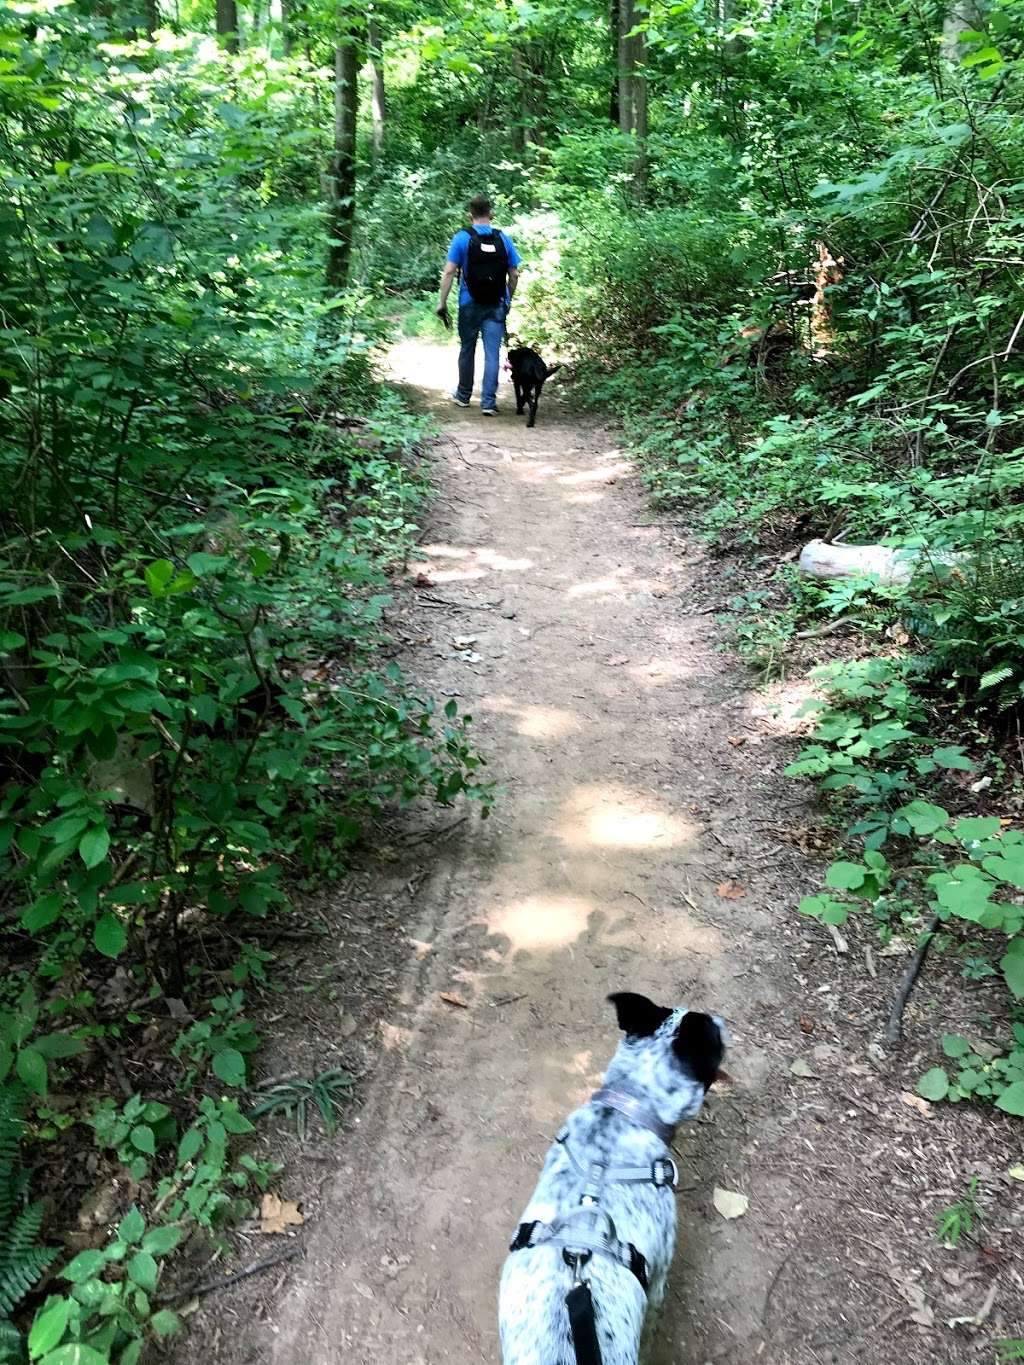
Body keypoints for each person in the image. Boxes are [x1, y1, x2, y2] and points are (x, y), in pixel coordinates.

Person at [437, 196, 521, 415]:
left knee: (467, 349)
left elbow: (448, 272)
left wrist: (442, 302)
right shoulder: (503, 238)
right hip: (496, 304)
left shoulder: (462, 238)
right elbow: (514, 274)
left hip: (469, 303)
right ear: (491, 214)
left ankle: (463, 396)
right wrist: (508, 298)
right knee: (492, 353)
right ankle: (488, 403)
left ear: (470, 214)